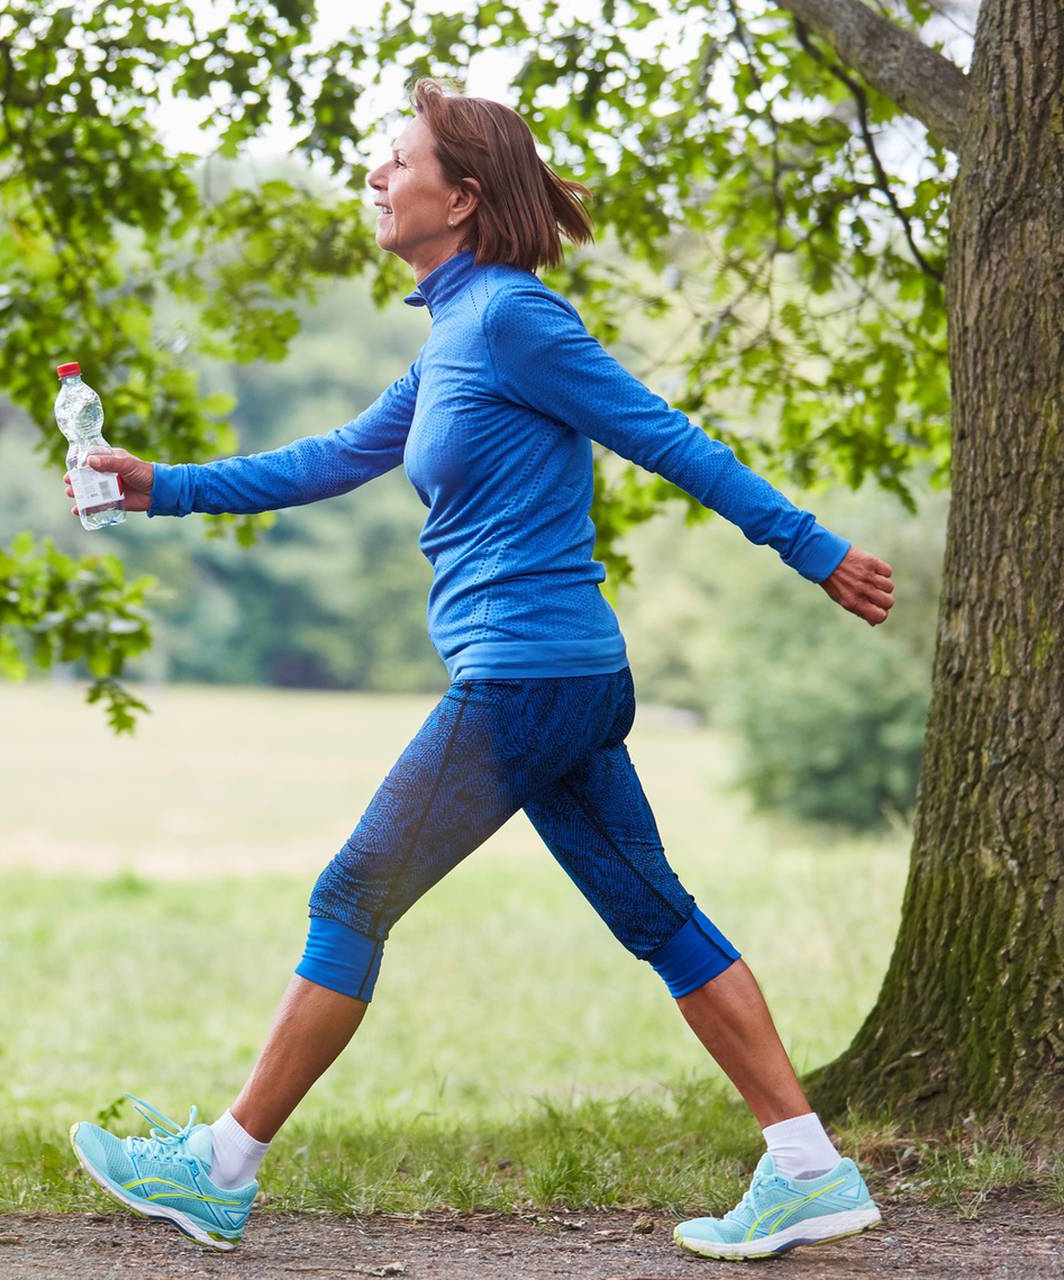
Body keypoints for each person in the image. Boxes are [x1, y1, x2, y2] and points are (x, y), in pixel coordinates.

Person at [61, 77, 897, 1262]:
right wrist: (161, 486)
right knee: (655, 915)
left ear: (460, 196)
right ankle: (809, 1164)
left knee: (352, 894)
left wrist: (812, 548)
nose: (375, 176)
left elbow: (663, 434)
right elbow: (336, 456)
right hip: (556, 682)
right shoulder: (454, 334)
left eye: (396, 160)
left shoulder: (513, 318)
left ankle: (220, 1167)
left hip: (524, 680)